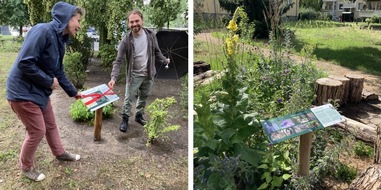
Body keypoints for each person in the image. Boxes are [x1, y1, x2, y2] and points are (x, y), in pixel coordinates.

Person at [6, 1, 84, 182]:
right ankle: (26, 167)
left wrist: (74, 92)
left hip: (38, 92)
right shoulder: (42, 31)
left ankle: (60, 153)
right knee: (37, 131)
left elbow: (58, 71)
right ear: (67, 18)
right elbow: (25, 62)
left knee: (50, 124)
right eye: (78, 20)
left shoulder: (59, 42)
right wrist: (48, 81)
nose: (80, 26)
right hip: (22, 92)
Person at [108, 10, 170, 132]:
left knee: (144, 96)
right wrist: (113, 78)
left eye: (137, 21)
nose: (134, 24)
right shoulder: (126, 40)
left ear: (142, 21)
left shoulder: (150, 35)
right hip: (134, 75)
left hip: (148, 74)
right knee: (128, 98)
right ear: (128, 24)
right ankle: (125, 118)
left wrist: (164, 60)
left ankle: (139, 115)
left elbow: (156, 51)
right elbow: (118, 61)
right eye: (131, 22)